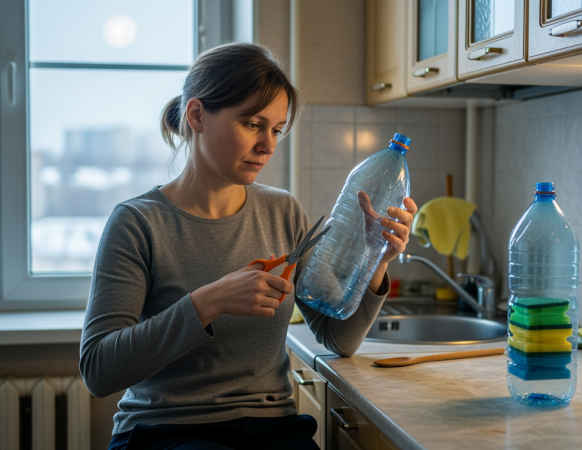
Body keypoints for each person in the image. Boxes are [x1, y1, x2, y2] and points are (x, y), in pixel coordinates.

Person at [79, 42, 418, 450]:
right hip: (165, 432)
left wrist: (375, 260)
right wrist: (208, 302)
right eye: (252, 124)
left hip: (273, 429)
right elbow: (98, 370)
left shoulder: (282, 212)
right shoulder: (137, 223)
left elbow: (338, 338)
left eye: (275, 130)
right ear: (197, 115)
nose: (268, 146)